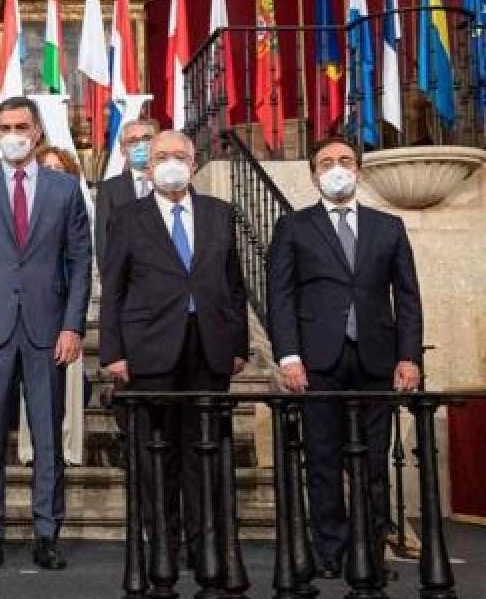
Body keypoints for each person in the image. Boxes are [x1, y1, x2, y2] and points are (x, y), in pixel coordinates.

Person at [267, 136, 422, 582]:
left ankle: (370, 551)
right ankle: (331, 550)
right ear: (314, 173)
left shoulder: (388, 226)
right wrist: (289, 357)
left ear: (360, 170)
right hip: (318, 361)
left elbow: (408, 297)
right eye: (328, 162)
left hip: (376, 359)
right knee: (322, 459)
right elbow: (281, 297)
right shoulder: (293, 227)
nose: (337, 168)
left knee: (374, 462)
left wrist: (409, 356)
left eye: (346, 161)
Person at [98, 129, 248, 583]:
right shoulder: (128, 217)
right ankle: (162, 543)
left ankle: (205, 550)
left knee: (204, 454)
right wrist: (113, 352)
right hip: (148, 352)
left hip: (208, 350)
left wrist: (238, 344)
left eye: (179, 155)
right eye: (160, 156)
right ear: (146, 166)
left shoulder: (219, 214)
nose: (169, 162)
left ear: (194, 163)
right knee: (154, 457)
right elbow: (113, 290)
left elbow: (235, 286)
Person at [0, 96, 92, 571]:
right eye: (5, 126)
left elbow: (80, 263)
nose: (13, 133)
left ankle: (47, 532)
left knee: (48, 439)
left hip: (47, 330)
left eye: (21, 126)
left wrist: (73, 325)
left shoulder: (64, 189)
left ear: (37, 133)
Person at [17, 144, 87, 468]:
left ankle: (68, 447)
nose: (49, 174)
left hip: (62, 309)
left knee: (67, 388)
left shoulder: (73, 204)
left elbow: (80, 262)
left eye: (56, 169)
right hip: (24, 310)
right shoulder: (21, 205)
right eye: (44, 167)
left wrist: (73, 320)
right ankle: (31, 448)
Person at [94, 118, 158, 266]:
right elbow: (104, 242)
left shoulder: (172, 182)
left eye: (146, 138)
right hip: (129, 280)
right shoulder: (109, 189)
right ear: (123, 150)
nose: (141, 144)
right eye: (133, 140)